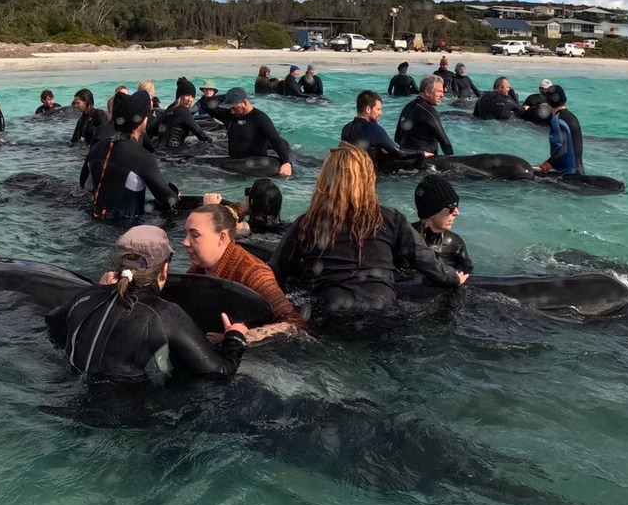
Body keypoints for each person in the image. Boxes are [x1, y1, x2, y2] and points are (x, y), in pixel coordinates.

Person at [269, 145, 466, 316]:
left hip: (330, 313)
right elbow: (426, 260)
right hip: (382, 310)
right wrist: (453, 278)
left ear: (325, 181)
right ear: (368, 179)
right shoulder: (390, 218)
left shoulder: (308, 222)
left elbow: (274, 272)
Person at [46, 225, 249, 382]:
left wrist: (98, 290)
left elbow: (52, 322)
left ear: (119, 264)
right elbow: (220, 373)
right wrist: (235, 337)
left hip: (72, 399)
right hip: (127, 422)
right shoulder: (167, 315)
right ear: (164, 270)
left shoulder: (86, 297)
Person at [180, 203, 305, 336]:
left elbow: (295, 324)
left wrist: (244, 337)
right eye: (185, 234)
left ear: (221, 238)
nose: (185, 242)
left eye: (194, 235)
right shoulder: (197, 270)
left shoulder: (254, 273)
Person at [81, 90, 179, 222]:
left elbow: (85, 184)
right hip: (128, 229)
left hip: (95, 220)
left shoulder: (98, 147)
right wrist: (175, 192)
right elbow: (168, 200)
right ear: (141, 121)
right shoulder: (142, 157)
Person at [340, 90, 430, 171]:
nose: (381, 113)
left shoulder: (346, 128)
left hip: (352, 174)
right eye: (378, 109)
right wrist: (421, 153)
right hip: (370, 177)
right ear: (368, 109)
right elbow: (399, 153)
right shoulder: (372, 128)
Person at [218, 88, 294, 176]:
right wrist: (227, 98)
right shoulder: (232, 116)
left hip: (254, 163)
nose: (232, 111)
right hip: (236, 161)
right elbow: (206, 105)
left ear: (245, 102)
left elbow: (275, 140)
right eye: (230, 108)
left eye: (235, 107)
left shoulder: (260, 118)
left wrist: (286, 162)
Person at [412, 175, 473, 274]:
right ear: (432, 212)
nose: (457, 212)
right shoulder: (404, 237)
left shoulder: (455, 244)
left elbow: (467, 274)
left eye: (457, 206)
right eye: (451, 208)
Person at [394, 76, 455, 157]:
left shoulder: (408, 107)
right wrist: (452, 160)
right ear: (427, 92)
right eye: (439, 91)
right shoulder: (429, 112)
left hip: (406, 159)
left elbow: (397, 138)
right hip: (426, 162)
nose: (442, 95)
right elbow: (445, 143)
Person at [153, 78, 213, 150]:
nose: (190, 100)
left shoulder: (169, 109)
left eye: (192, 96)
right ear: (180, 96)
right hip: (173, 152)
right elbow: (200, 134)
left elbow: (152, 129)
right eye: (187, 95)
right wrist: (212, 142)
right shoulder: (183, 111)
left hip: (160, 148)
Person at [538, 86, 581, 175]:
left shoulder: (557, 120)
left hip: (566, 174)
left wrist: (547, 165)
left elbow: (562, 149)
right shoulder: (572, 117)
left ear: (548, 101)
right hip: (578, 172)